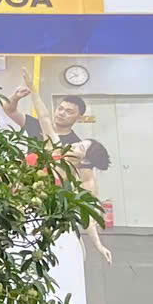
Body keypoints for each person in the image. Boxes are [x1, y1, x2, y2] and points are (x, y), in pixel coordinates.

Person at [43, 95, 114, 263]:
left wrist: (98, 244)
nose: (74, 144)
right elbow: (43, 117)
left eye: (80, 147)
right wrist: (32, 89)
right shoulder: (55, 147)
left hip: (52, 227)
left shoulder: (73, 178)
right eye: (60, 108)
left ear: (85, 160)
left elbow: (88, 213)